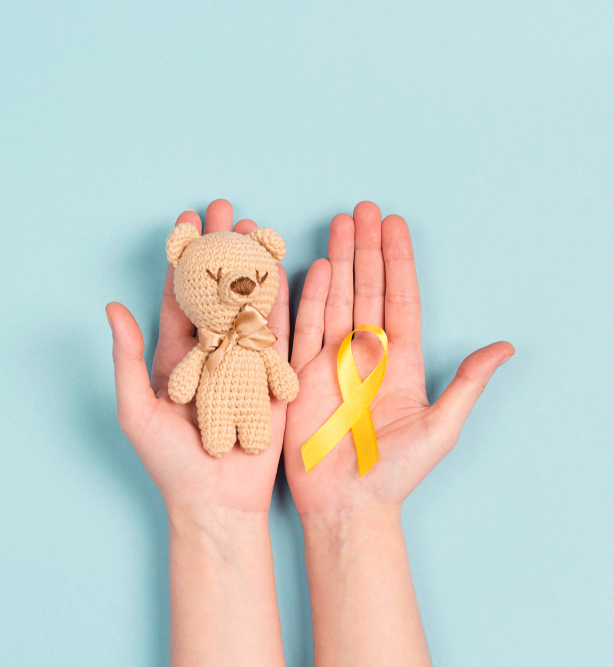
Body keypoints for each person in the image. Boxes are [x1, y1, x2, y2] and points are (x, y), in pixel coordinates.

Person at [105, 199, 514, 667]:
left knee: (253, 428)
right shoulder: (216, 344)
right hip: (215, 412)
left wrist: (354, 516)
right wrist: (351, 520)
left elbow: (280, 377)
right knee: (217, 433)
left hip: (270, 419)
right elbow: (188, 379)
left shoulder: (258, 343)